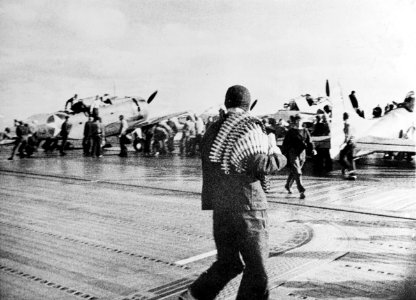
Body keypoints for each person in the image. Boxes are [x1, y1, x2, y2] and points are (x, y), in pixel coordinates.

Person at [179, 85, 287, 300]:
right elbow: (261, 165)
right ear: (248, 105)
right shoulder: (250, 126)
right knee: (257, 269)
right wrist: (276, 150)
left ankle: (193, 295)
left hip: (221, 208)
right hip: (248, 207)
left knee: (228, 263)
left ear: (227, 102)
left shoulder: (213, 129)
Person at [282, 114, 315, 199]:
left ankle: (287, 185)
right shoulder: (291, 131)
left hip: (302, 153)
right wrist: (284, 153)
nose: (299, 122)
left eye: (300, 120)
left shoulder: (305, 131)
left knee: (295, 171)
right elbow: (285, 143)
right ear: (296, 121)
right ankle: (301, 190)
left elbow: (310, 141)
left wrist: (313, 149)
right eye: (298, 120)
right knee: (297, 171)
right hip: (293, 152)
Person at [339, 112, 356, 179]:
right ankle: (352, 174)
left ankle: (349, 170)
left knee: (342, 158)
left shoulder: (347, 125)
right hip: (352, 143)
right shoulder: (352, 124)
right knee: (350, 159)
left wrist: (343, 144)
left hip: (348, 144)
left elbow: (347, 136)